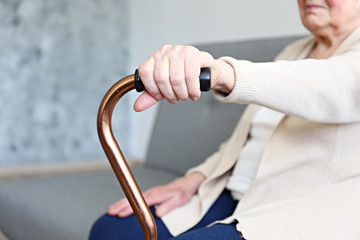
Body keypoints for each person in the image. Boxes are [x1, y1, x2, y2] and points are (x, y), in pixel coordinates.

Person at [90, 0, 360, 239]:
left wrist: (221, 73)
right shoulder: (294, 52)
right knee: (112, 230)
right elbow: (245, 141)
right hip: (237, 191)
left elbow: (333, 85)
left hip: (298, 209)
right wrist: (196, 178)